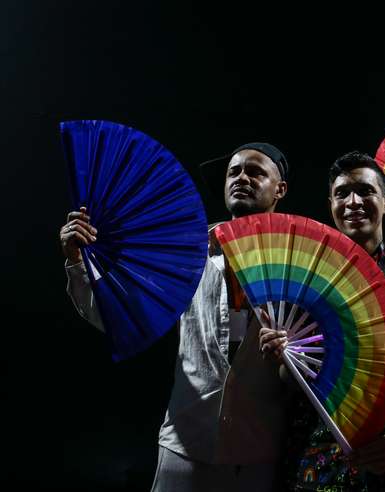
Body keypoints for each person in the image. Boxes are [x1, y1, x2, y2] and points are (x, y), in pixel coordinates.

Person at [61, 143, 291, 492]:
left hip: (257, 450)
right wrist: (77, 261)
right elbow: (120, 315)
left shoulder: (300, 260)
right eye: (234, 172)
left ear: (280, 189)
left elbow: (318, 357)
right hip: (186, 445)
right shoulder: (190, 250)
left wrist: (292, 352)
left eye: (256, 171)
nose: (242, 178)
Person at [259, 151, 385, 491]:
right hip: (313, 458)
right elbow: (290, 380)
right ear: (331, 204)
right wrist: (280, 355)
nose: (353, 202)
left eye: (365, 191)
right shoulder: (304, 284)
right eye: (342, 193)